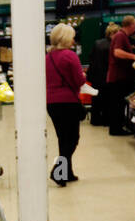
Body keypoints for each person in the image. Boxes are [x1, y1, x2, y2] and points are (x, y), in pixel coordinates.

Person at [45, 23, 87, 187]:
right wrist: (83, 75)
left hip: (52, 103)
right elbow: (79, 80)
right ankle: (58, 171)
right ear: (66, 38)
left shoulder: (47, 57)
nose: (74, 40)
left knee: (63, 138)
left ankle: (66, 173)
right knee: (72, 139)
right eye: (72, 37)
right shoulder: (70, 56)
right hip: (68, 102)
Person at [105, 16, 135, 136]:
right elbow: (117, 52)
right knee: (117, 104)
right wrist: (133, 57)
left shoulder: (122, 36)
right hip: (118, 77)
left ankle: (117, 127)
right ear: (131, 25)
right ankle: (116, 129)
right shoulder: (120, 36)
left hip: (119, 76)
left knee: (118, 104)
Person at [86, 21, 118, 127]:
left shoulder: (97, 43)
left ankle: (95, 119)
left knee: (96, 98)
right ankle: (105, 120)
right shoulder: (112, 46)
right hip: (106, 76)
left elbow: (91, 57)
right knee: (107, 100)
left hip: (95, 76)